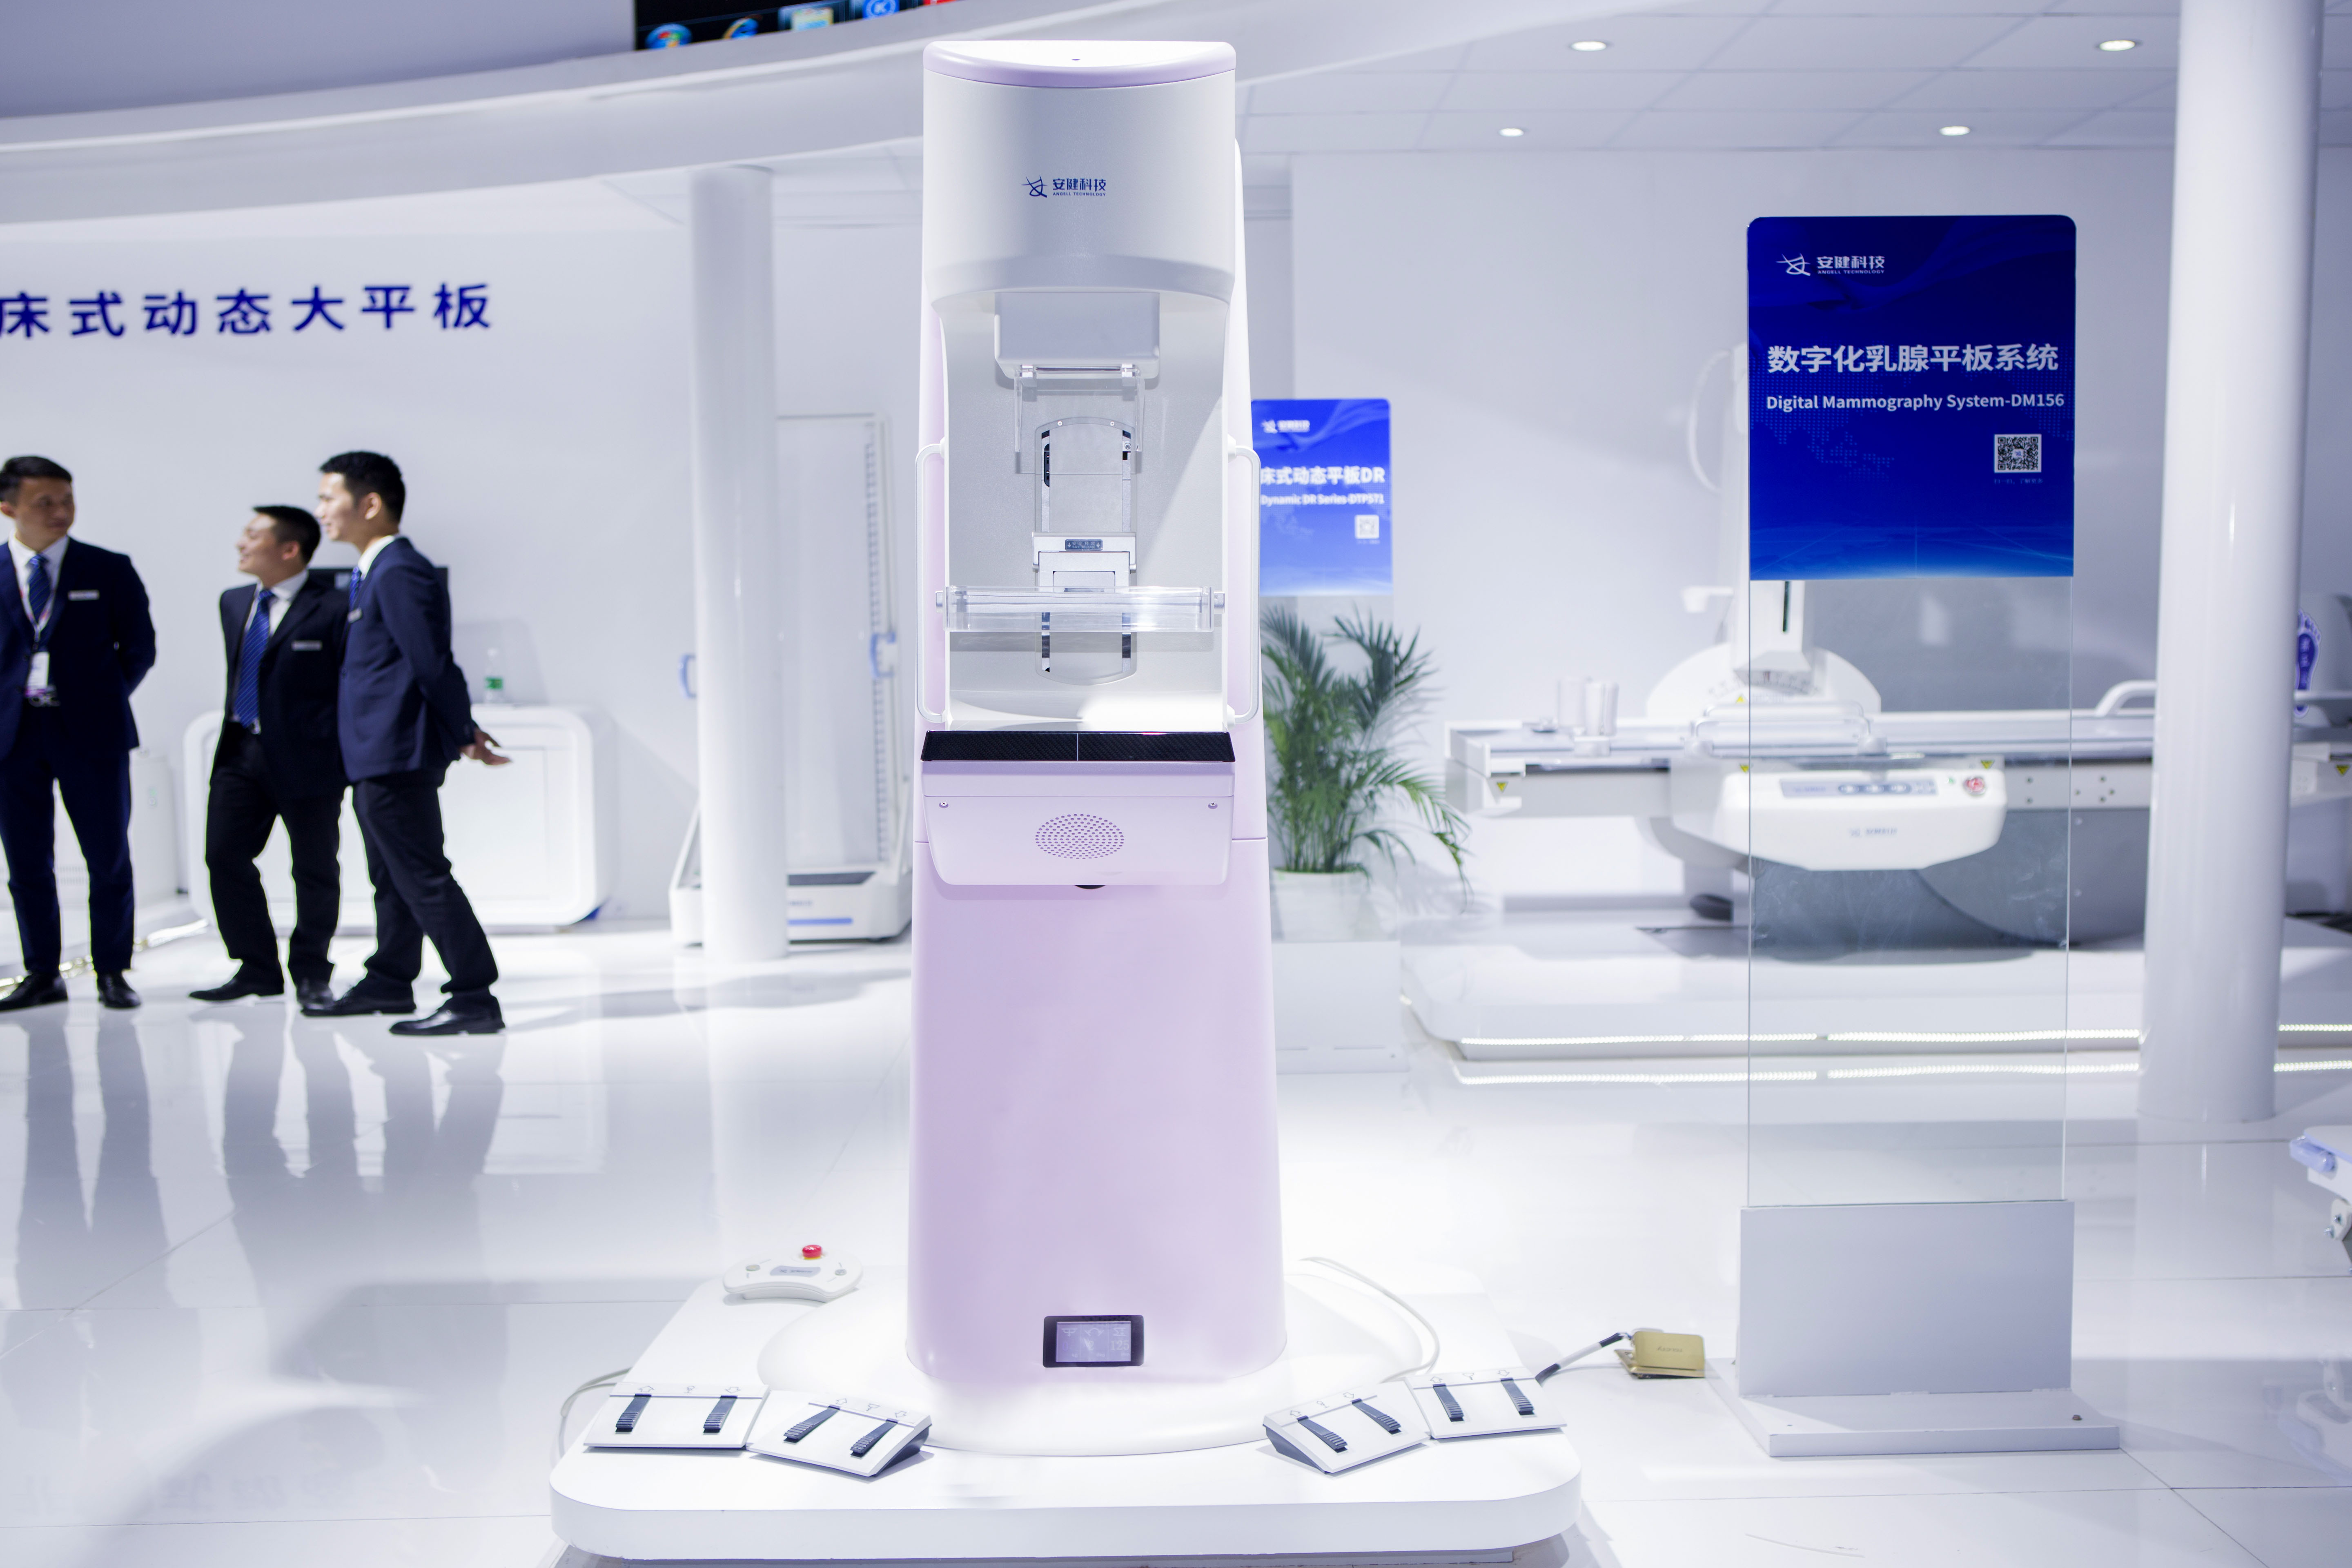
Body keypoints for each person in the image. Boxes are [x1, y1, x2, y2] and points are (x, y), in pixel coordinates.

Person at [301, 452, 510, 1035]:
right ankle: (390, 980)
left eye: (329, 498)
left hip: (395, 751)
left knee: (420, 874)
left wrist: (463, 731)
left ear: (369, 504)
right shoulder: (377, 571)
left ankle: (473, 995)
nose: (321, 511)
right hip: (376, 751)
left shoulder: (399, 571)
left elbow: (430, 662)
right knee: (393, 875)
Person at [0, 455, 157, 1011]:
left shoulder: (108, 568)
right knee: (26, 861)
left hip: (92, 733)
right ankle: (42, 973)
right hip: (12, 736)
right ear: (8, 507)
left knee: (108, 855)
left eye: (67, 500)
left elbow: (139, 649)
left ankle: (113, 971)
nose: (60, 512)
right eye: (44, 502)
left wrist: (100, 702)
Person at [192, 506, 348, 1009]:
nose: (241, 543)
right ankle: (256, 968)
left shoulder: (334, 606)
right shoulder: (234, 601)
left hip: (310, 759)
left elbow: (348, 684)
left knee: (314, 869)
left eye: (253, 535)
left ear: (289, 549)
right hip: (240, 750)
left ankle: (312, 972)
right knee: (223, 855)